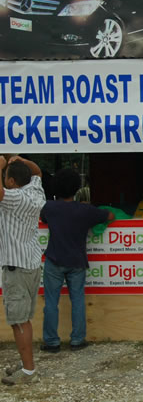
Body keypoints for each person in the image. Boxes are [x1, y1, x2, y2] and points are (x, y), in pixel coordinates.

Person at [40, 169, 114, 354]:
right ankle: (77, 340)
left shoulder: (49, 207)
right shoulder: (85, 210)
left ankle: (51, 342)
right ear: (77, 189)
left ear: (55, 187)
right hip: (77, 261)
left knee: (50, 302)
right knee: (78, 300)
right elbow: (109, 216)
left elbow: (43, 219)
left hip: (54, 260)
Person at [0, 156, 46, 385]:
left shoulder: (14, 198)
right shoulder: (35, 192)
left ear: (10, 181)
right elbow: (37, 172)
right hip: (32, 263)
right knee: (24, 318)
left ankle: (28, 372)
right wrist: (21, 160)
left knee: (19, 322)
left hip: (16, 266)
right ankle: (26, 362)